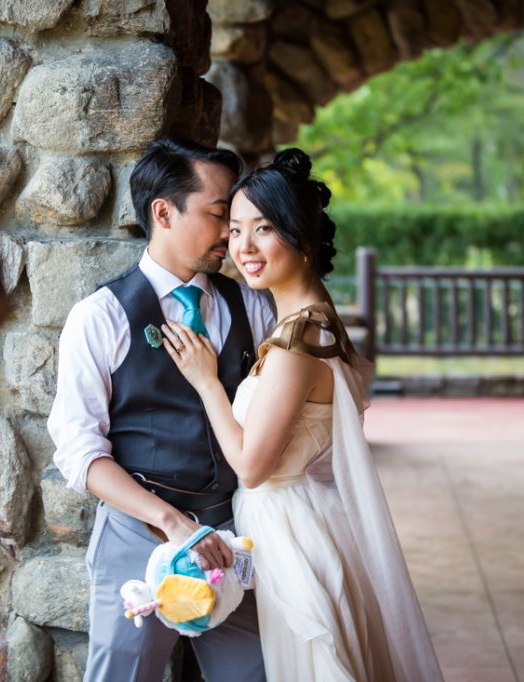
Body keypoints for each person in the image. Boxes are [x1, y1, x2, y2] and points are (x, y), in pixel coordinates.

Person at [161, 148, 444, 682]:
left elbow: (251, 467)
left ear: (301, 237)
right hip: (305, 518)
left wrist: (206, 384)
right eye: (236, 228)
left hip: (288, 531)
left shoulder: (296, 342)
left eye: (263, 229)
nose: (242, 247)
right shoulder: (316, 320)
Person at [48, 138, 275, 681]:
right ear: (163, 212)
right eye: (220, 215)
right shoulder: (98, 316)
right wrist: (172, 522)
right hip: (137, 534)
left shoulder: (254, 306)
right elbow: (78, 452)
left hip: (232, 537)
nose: (230, 234)